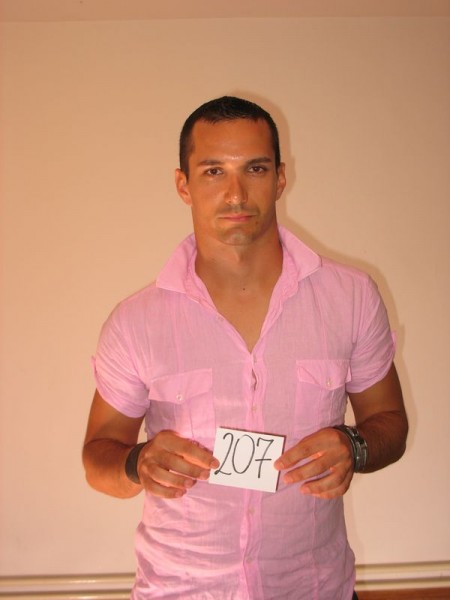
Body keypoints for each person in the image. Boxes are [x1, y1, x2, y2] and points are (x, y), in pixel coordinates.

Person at [83, 96, 408, 600]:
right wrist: (137, 462)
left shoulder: (351, 298)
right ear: (183, 185)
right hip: (181, 590)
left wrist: (355, 446)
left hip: (314, 589)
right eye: (213, 171)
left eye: (254, 168)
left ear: (280, 178)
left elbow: (390, 423)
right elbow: (98, 456)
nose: (235, 193)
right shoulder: (136, 322)